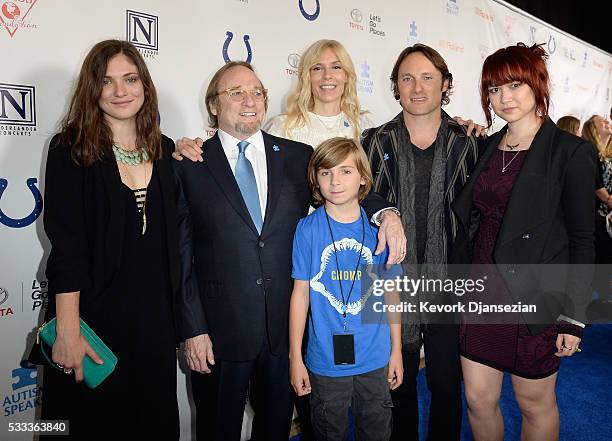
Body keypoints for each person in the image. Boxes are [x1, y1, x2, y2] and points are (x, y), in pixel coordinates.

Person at [173, 61, 403, 441]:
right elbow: (180, 255)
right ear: (213, 105)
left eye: (257, 92)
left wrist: (387, 213)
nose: (250, 101)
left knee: (276, 430)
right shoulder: (188, 164)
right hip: (219, 334)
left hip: (284, 331)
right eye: (236, 93)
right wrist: (193, 330)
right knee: (218, 430)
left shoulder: (296, 156)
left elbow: (346, 183)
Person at [453, 43, 597, 441]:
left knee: (534, 403)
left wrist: (574, 316)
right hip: (481, 291)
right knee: (478, 400)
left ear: (537, 84)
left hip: (537, 297)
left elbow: (584, 241)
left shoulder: (571, 152)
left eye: (514, 84)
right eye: (495, 90)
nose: (504, 98)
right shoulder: (485, 147)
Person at [37, 40, 180, 440]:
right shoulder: (70, 148)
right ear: (92, 89)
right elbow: (66, 248)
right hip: (92, 320)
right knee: (92, 424)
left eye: (130, 79)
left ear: (145, 86)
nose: (121, 91)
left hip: (153, 326)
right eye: (107, 81)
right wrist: (68, 329)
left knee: (154, 424)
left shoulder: (165, 149)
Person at [360, 44, 484, 441]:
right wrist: (386, 210)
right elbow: (360, 193)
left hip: (449, 284)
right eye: (407, 78)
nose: (417, 87)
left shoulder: (470, 143)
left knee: (447, 386)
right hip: (392, 283)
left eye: (428, 77)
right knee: (399, 383)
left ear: (445, 84)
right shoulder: (374, 141)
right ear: (395, 86)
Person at [289, 137, 403, 441]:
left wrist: (397, 350)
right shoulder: (307, 229)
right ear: (315, 179)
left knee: (377, 429)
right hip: (325, 360)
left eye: (345, 172)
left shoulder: (380, 231)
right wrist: (294, 358)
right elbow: (300, 296)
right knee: (328, 431)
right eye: (325, 172)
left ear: (363, 177)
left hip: (375, 355)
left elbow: (391, 295)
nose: (335, 181)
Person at [264, 39, 374, 146]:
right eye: (317, 68)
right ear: (307, 77)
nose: (327, 75)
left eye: (336, 67)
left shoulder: (363, 125)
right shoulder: (283, 127)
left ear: (346, 75)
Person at [582, 114, 612, 299]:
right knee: (602, 257)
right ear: (592, 128)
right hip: (598, 214)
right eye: (601, 121)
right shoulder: (589, 151)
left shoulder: (608, 153)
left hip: (608, 212)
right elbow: (594, 182)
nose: (607, 122)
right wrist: (609, 200)